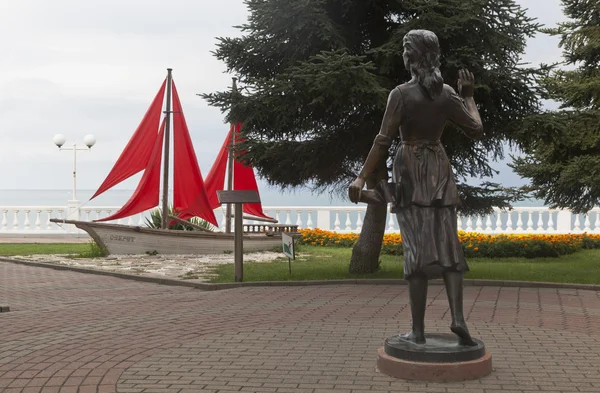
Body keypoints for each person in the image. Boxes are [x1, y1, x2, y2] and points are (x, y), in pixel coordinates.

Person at [348, 29, 483, 346]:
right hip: (439, 169)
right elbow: (476, 128)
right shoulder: (448, 94)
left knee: (416, 250)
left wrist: (360, 177)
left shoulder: (401, 95)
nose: (402, 55)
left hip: (410, 169)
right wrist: (468, 95)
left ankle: (418, 332)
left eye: (405, 50)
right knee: (449, 245)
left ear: (414, 56)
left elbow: (382, 141)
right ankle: (458, 319)